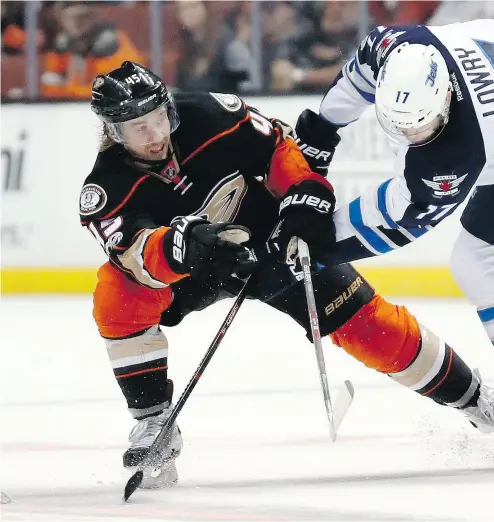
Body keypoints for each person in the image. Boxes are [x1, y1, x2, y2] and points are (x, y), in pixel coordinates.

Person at [80, 61, 494, 489]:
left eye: (158, 118)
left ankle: (476, 400)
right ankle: (153, 423)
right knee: (116, 293)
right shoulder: (105, 190)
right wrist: (179, 248)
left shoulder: (211, 114)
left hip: (271, 243)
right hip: (195, 272)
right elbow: (134, 255)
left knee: (368, 326)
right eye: (137, 128)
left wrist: (302, 195)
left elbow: (278, 147)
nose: (154, 135)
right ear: (113, 132)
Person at [290, 19, 494, 345]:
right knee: (475, 261)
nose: (408, 137)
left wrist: (323, 243)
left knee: (477, 260)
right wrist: (323, 129)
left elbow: (401, 219)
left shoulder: (454, 153)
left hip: (485, 136)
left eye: (419, 127)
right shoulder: (394, 44)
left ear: (445, 99)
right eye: (396, 124)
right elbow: (359, 76)